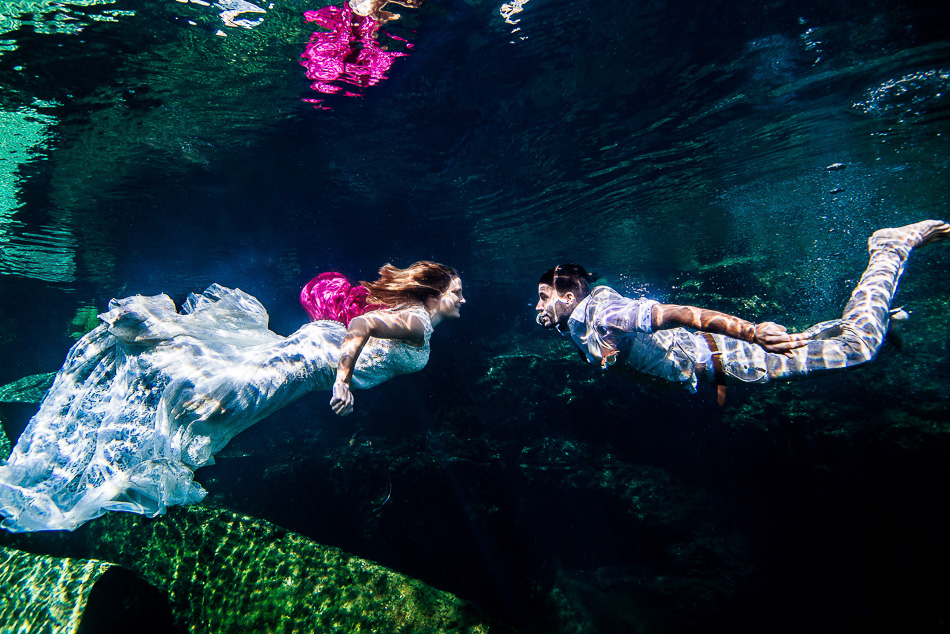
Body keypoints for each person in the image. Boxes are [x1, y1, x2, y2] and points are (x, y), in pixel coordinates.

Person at [0, 262, 464, 533]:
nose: (462, 300)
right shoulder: (418, 323)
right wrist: (343, 379)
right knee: (220, 403)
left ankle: (155, 359)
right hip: (311, 360)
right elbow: (361, 326)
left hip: (310, 358)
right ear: (436, 294)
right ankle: (149, 334)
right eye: (457, 293)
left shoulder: (413, 318)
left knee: (220, 402)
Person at [535, 220, 949, 404]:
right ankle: (884, 320)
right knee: (837, 338)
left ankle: (889, 249)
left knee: (858, 349)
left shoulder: (603, 312)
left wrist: (751, 334)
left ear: (568, 296)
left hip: (734, 357)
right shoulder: (581, 323)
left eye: (543, 295)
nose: (537, 306)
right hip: (721, 362)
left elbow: (679, 313)